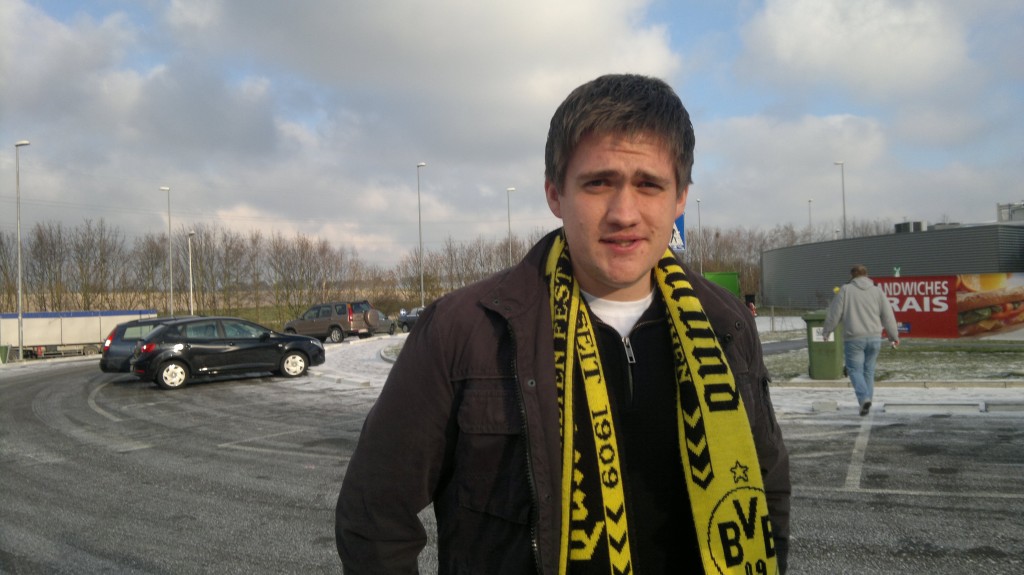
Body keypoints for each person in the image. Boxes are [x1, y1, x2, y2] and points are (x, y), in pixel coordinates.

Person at [335, 74, 791, 574]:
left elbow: (766, 487)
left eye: (649, 184)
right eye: (598, 183)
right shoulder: (463, 330)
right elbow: (375, 514)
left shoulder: (725, 323)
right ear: (555, 194)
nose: (624, 213)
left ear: (680, 198)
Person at [822, 264, 900, 416]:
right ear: (866, 275)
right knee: (868, 371)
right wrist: (894, 336)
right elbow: (888, 315)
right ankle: (866, 403)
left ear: (852, 276)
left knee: (854, 370)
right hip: (875, 337)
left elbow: (834, 313)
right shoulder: (877, 291)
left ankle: (864, 399)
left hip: (854, 338)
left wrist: (827, 331)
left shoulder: (846, 290)